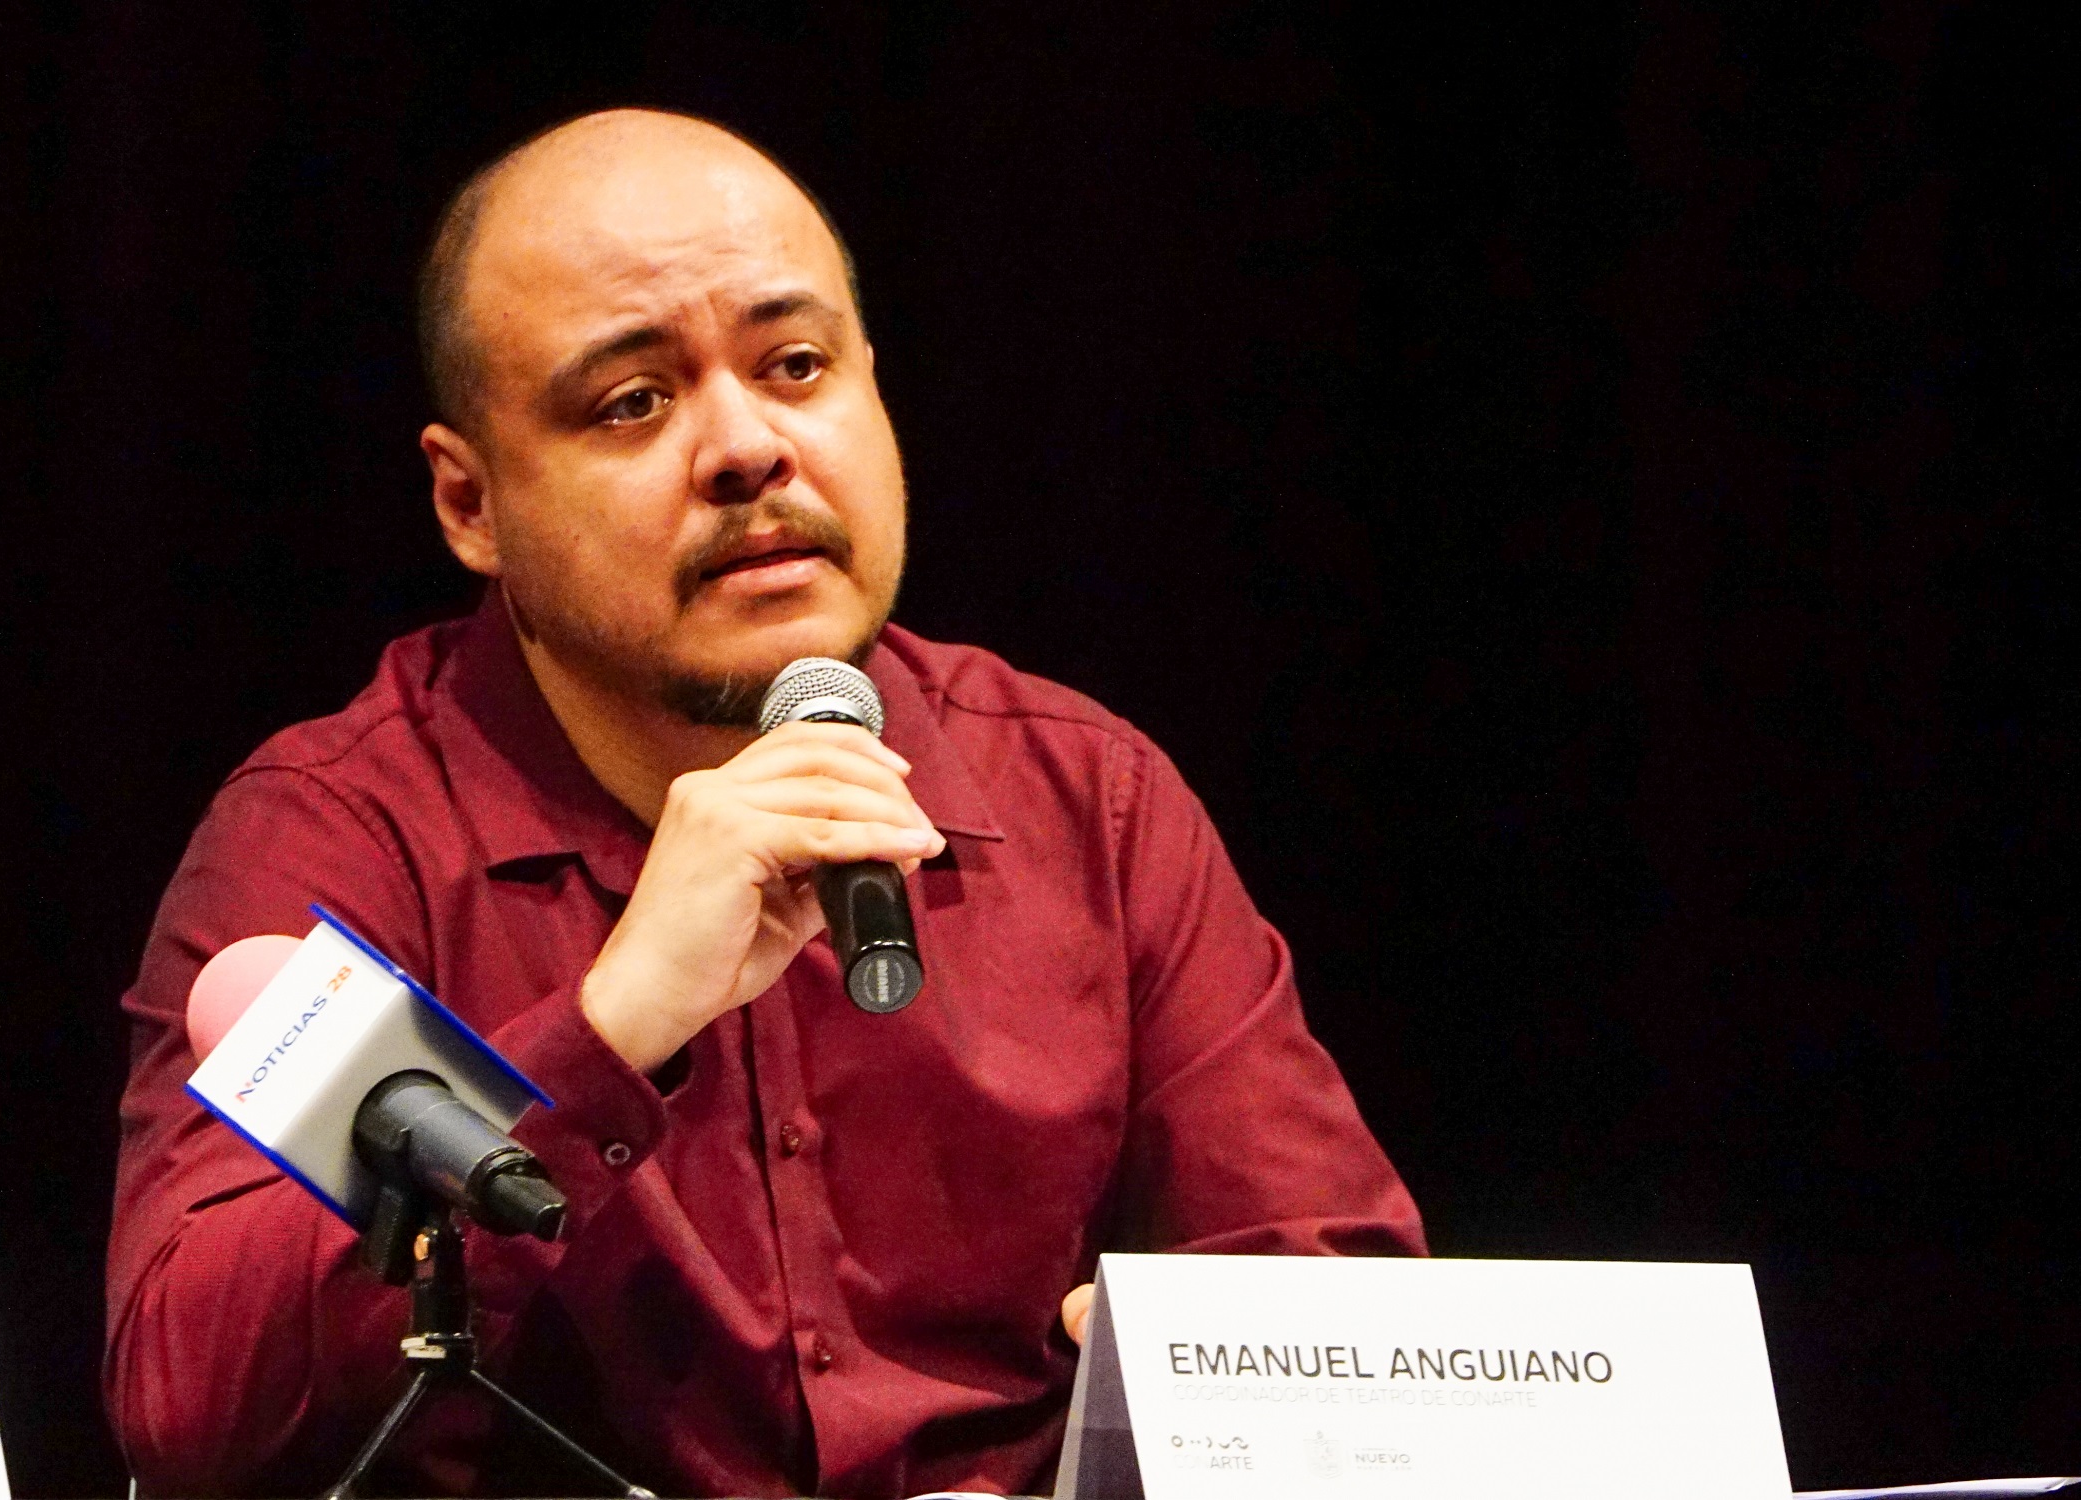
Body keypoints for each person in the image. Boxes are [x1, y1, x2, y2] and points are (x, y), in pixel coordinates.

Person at [105, 108, 1424, 1498]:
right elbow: (194, 1410)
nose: (747, 447)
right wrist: (611, 1023)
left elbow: (1339, 1318)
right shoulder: (345, 837)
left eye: (796, 366)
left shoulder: (1085, 801)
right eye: (632, 402)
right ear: (469, 503)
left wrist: (1209, 1379)